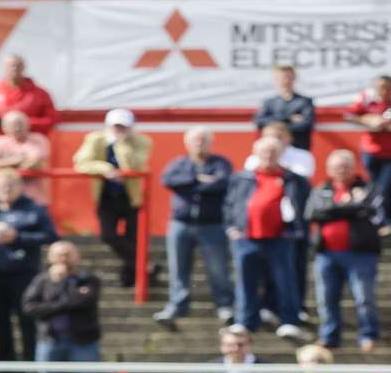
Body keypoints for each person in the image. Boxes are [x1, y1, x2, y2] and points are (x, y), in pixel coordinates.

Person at [226, 137, 311, 342]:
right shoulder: (243, 178)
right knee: (245, 282)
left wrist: (296, 230)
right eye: (264, 152)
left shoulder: (293, 179)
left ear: (281, 153)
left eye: (273, 152)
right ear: (256, 154)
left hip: (281, 238)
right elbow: (230, 204)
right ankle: (245, 321)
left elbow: (303, 206)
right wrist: (231, 227)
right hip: (247, 237)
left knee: (285, 280)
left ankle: (289, 320)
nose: (268, 156)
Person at [0, 167, 58, 371]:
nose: (6, 189)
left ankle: (31, 364)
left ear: (21, 187)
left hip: (24, 273)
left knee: (27, 320)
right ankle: (6, 365)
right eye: (1, 186)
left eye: (10, 185)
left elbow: (50, 237)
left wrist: (17, 238)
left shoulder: (34, 210)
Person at [22, 241, 103, 373]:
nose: (64, 259)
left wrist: (52, 304)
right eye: (59, 254)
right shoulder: (42, 281)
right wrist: (59, 287)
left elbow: (85, 301)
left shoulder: (88, 279)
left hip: (83, 342)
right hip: (50, 342)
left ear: (78, 257)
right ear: (50, 257)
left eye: (68, 254)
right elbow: (30, 308)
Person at [154, 127, 235, 326]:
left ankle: (225, 305)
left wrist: (189, 185)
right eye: (195, 140)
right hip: (181, 223)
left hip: (212, 224)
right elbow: (168, 180)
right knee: (178, 268)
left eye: (203, 140)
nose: (199, 143)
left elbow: (222, 183)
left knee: (218, 269)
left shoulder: (220, 163)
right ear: (187, 143)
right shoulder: (179, 163)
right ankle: (177, 305)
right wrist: (197, 180)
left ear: (211, 142)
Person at [305, 149, 381, 351]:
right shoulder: (321, 189)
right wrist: (352, 207)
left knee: (364, 298)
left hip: (360, 253)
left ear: (354, 167)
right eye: (337, 167)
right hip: (326, 253)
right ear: (329, 169)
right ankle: (329, 336)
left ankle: (368, 334)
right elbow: (313, 213)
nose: (342, 170)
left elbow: (370, 210)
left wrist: (334, 209)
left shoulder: (368, 187)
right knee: (326, 298)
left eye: (346, 166)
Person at [71, 108, 153, 287]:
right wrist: (105, 169)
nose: (119, 130)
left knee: (133, 238)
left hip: (131, 196)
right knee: (108, 235)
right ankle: (144, 267)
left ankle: (131, 277)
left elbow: (136, 165)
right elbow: (81, 162)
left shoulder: (142, 142)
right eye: (116, 127)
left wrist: (121, 146)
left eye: (123, 127)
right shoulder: (95, 140)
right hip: (106, 196)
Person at [0, 54, 57, 138]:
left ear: (23, 68)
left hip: (29, 140)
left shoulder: (39, 94)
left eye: (17, 66)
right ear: (4, 68)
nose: (14, 68)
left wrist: (24, 123)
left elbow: (51, 120)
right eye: (10, 66)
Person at [344, 74, 391, 225]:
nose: (383, 91)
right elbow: (349, 115)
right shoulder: (366, 99)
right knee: (372, 186)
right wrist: (369, 120)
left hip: (389, 153)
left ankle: (384, 221)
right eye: (380, 87)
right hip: (370, 151)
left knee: (384, 188)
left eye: (386, 88)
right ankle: (373, 220)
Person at [0, 110, 51, 203]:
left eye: (20, 124)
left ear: (28, 125)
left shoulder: (39, 140)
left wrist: (4, 166)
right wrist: (18, 159)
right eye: (13, 125)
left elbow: (35, 163)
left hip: (34, 197)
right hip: (4, 199)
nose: (17, 128)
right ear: (4, 127)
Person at [254, 64, 315, 152]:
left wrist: (275, 125)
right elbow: (259, 121)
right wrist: (288, 118)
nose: (286, 81)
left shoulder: (305, 102)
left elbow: (306, 124)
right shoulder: (269, 102)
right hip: (272, 151)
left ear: (294, 78)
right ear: (276, 79)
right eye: (282, 77)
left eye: (289, 77)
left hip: (298, 148)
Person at [243, 121, 316, 180]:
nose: (273, 140)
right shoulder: (253, 158)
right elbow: (248, 179)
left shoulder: (303, 155)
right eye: (268, 136)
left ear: (289, 138)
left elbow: (303, 179)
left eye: (278, 137)